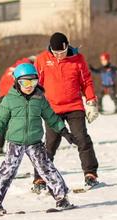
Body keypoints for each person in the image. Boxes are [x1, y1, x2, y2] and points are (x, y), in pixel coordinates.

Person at [0, 63, 75, 214]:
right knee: (8, 170)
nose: (29, 86)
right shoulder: (9, 99)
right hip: (15, 142)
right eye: (25, 82)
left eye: (33, 82)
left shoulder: (39, 98)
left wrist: (64, 131)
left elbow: (51, 117)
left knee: (46, 167)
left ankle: (62, 198)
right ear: (16, 82)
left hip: (35, 142)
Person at [34, 32, 99, 192]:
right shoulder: (42, 60)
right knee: (50, 144)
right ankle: (40, 177)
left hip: (74, 106)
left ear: (67, 46)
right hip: (52, 109)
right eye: (56, 53)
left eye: (62, 52)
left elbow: (86, 82)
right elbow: (36, 84)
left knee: (82, 139)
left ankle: (90, 173)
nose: (60, 56)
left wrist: (91, 100)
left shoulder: (78, 59)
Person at [0, 56, 35, 154]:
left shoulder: (10, 68)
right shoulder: (27, 68)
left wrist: (1, 96)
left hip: (3, 96)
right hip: (15, 96)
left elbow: (1, 82)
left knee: (3, 122)